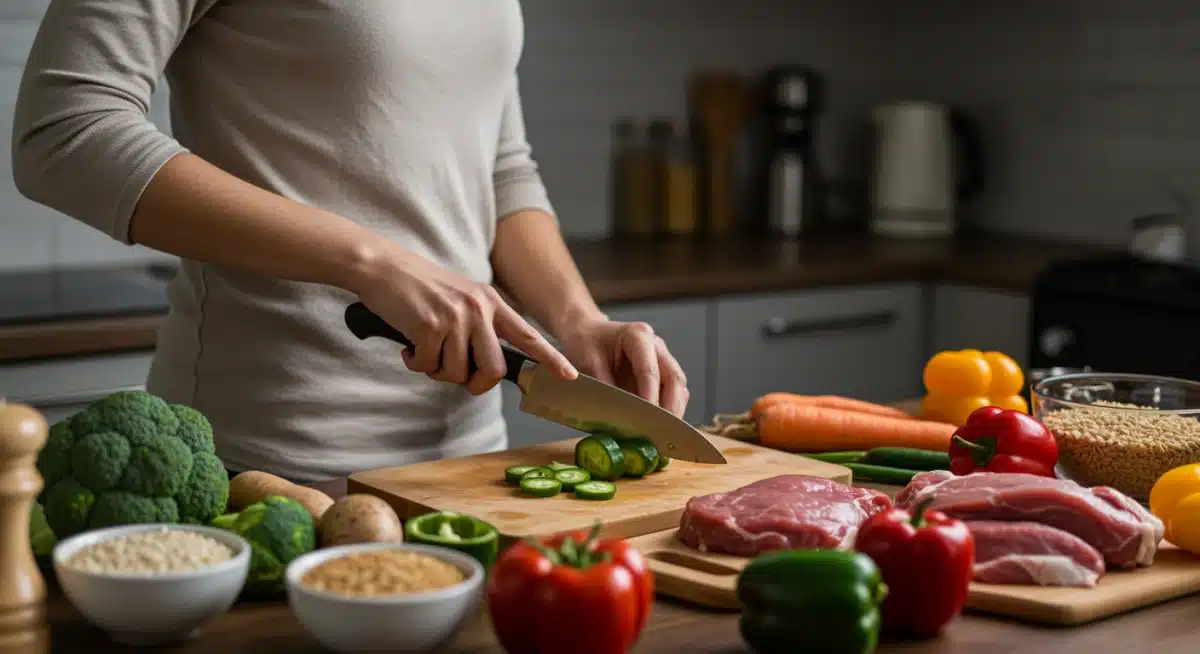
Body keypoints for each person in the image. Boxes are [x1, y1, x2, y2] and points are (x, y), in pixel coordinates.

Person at [11, 1, 689, 485]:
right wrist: (373, 261)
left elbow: (497, 165)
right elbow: (67, 130)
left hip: (467, 467)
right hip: (274, 468)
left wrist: (578, 321)